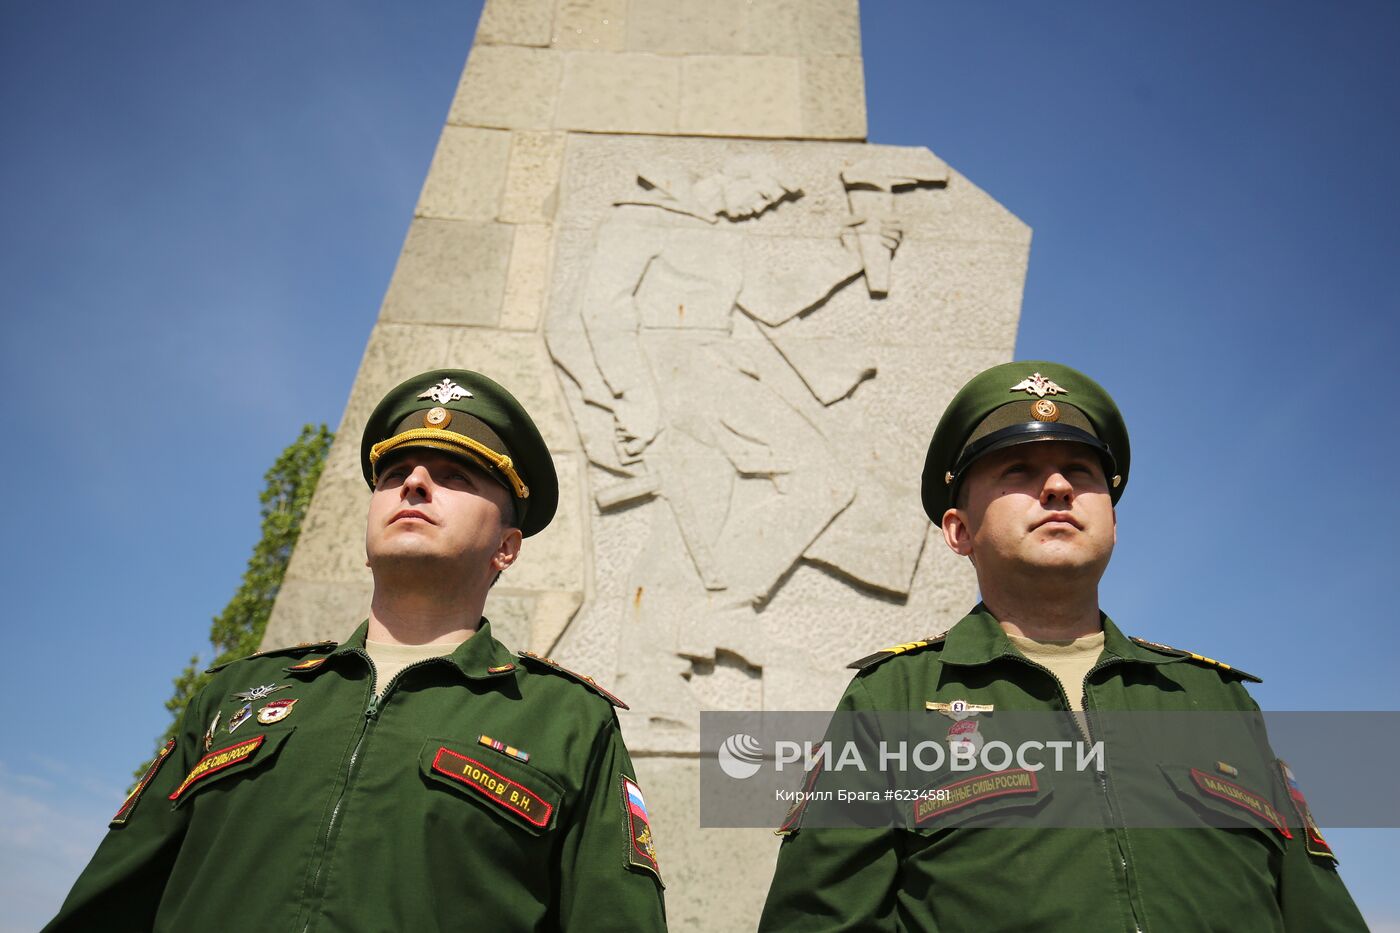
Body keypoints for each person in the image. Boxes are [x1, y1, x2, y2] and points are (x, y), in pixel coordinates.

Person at [46, 369, 668, 932]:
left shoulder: (565, 721)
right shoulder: (234, 696)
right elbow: (106, 906)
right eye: (396, 475)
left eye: (455, 477)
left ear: (505, 548)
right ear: (368, 536)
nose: (416, 484)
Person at [758, 360, 1364, 931]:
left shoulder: (1213, 699)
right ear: (959, 530)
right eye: (1017, 471)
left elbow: (1317, 911)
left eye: (1081, 472)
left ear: (1113, 520)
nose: (1056, 487)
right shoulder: (891, 699)